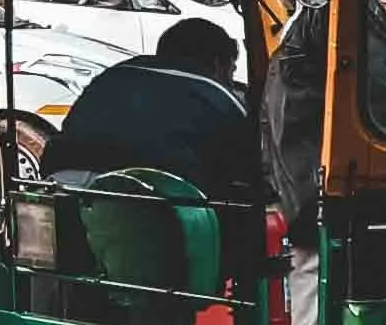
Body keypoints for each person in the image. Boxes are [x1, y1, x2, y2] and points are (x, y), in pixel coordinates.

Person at [47, 14, 256, 193]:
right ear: (218, 63)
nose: (230, 79)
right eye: (231, 70)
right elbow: (246, 170)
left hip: (66, 184)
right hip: (156, 203)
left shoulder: (114, 75)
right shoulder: (217, 96)